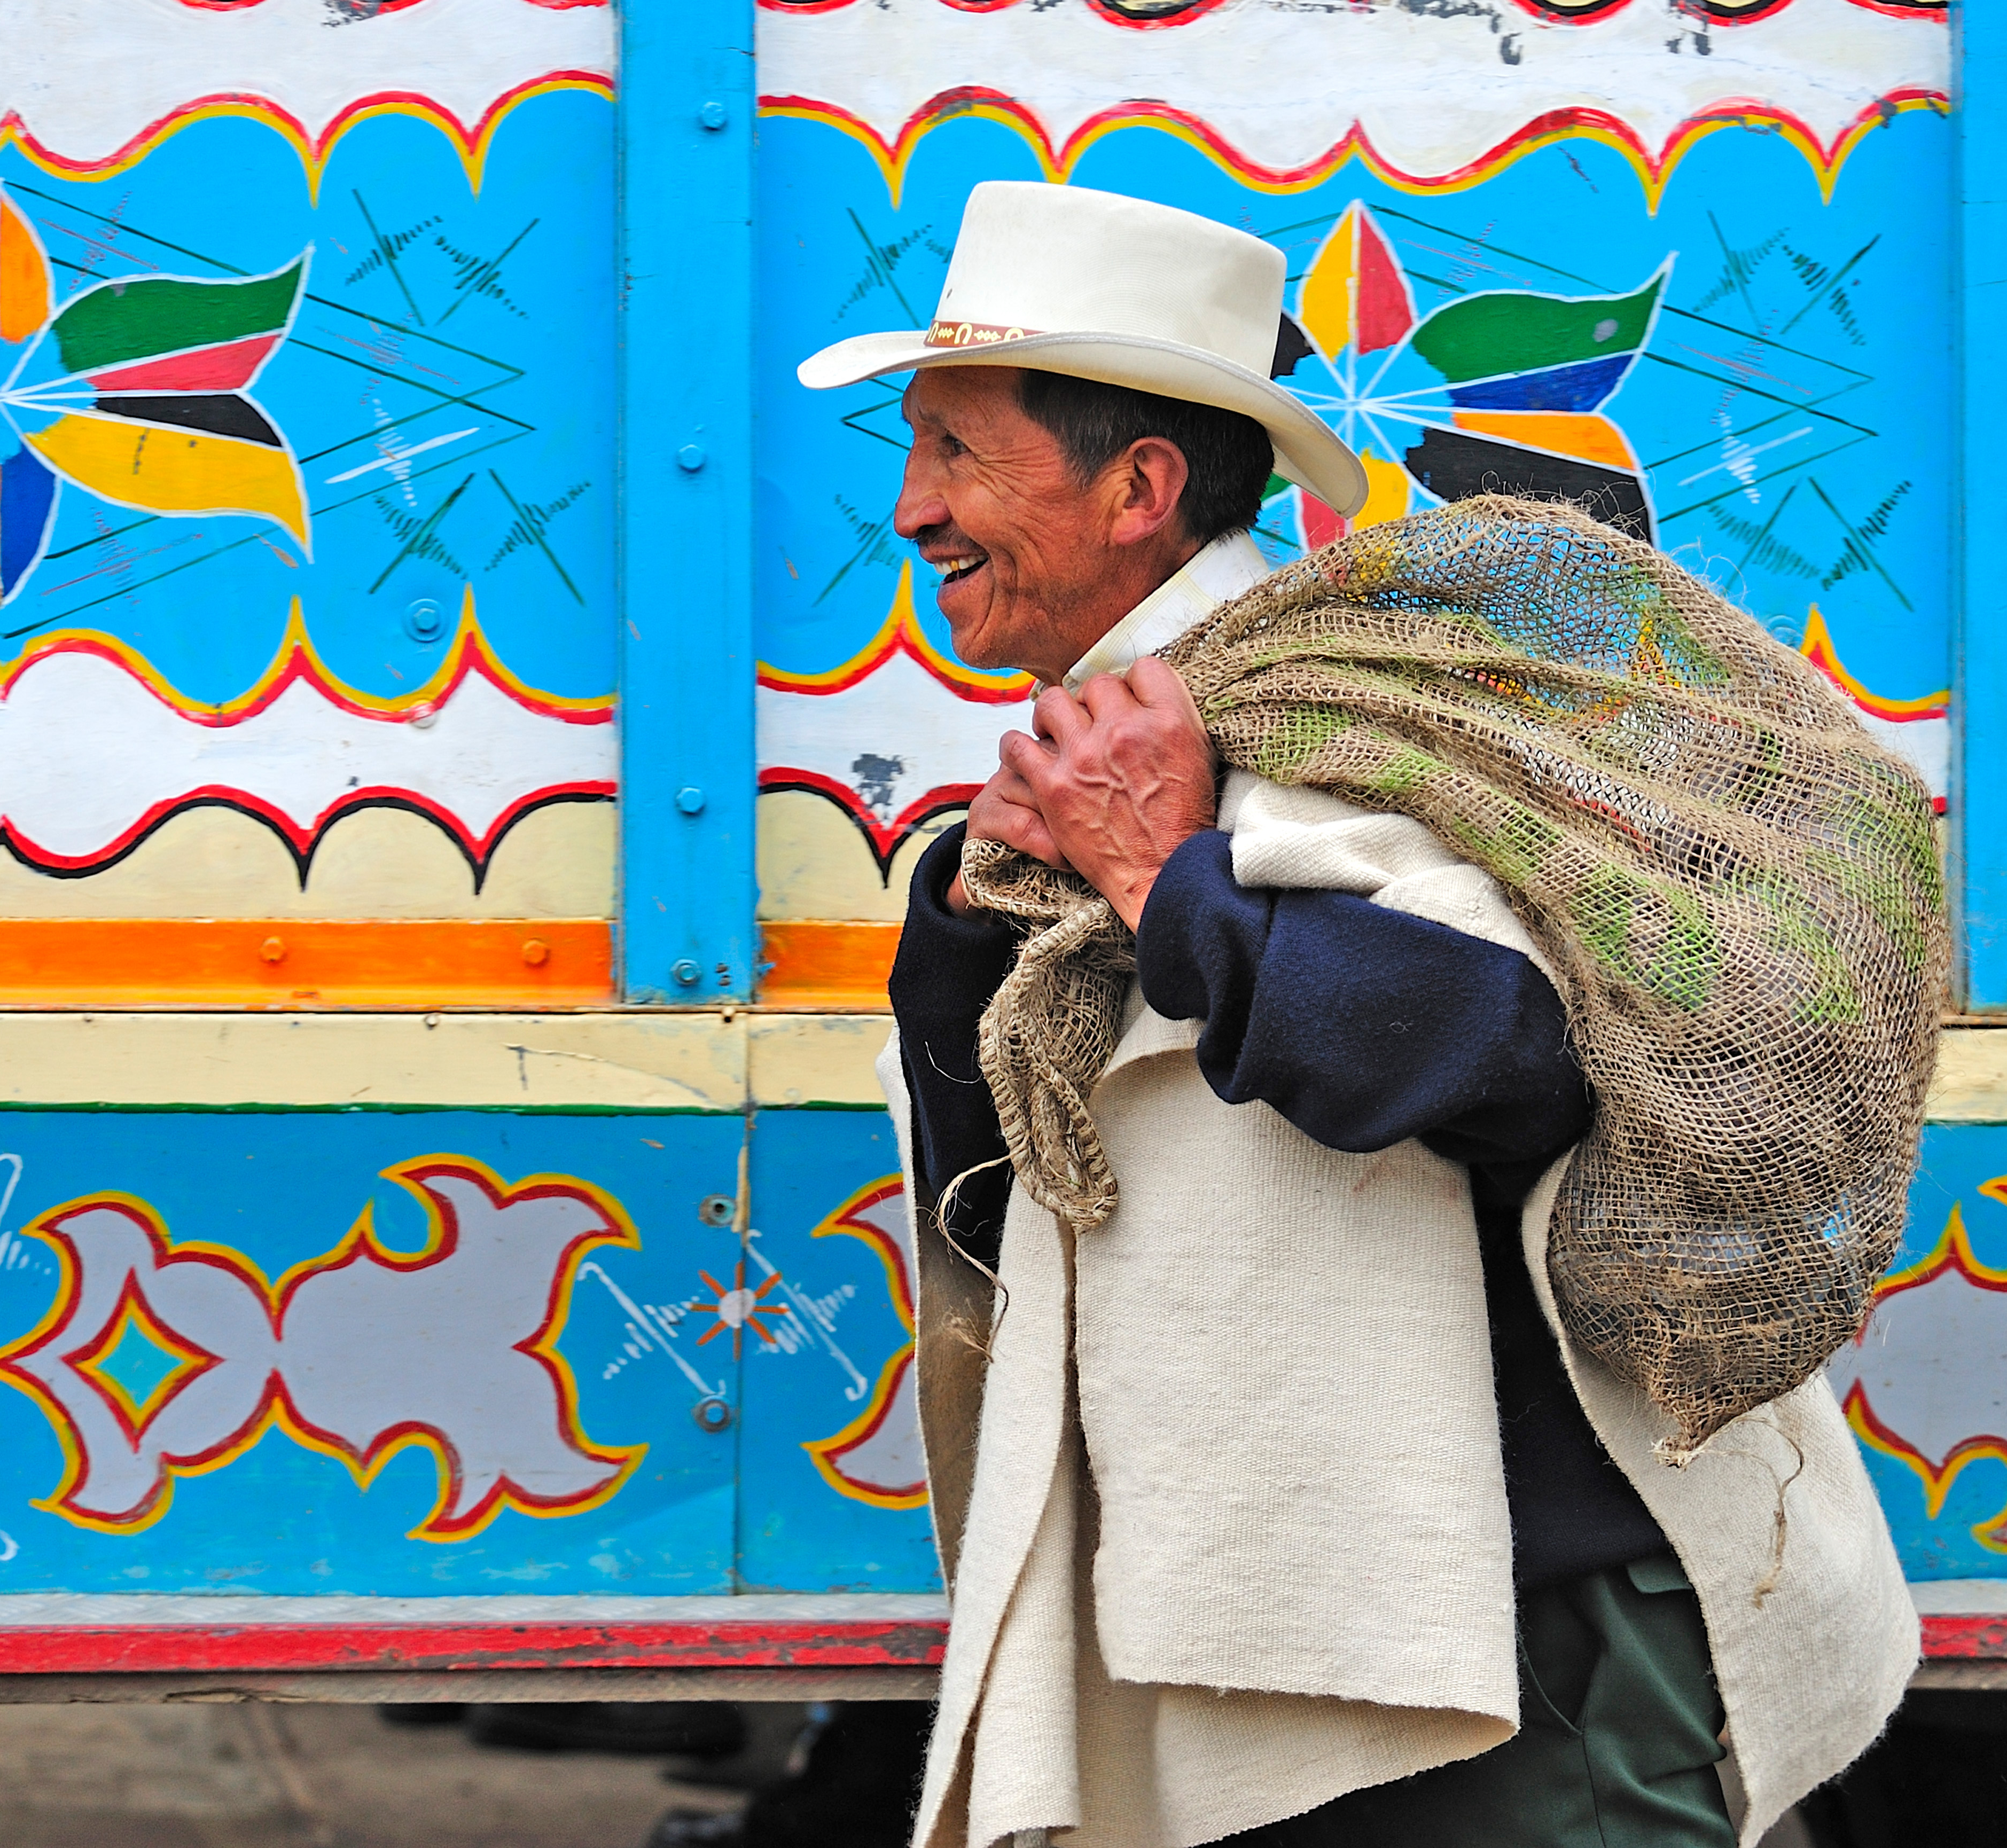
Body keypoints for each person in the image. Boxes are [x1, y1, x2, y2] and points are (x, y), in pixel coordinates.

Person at [781, 181, 1918, 1848]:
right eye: (916, 451)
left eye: (956, 452)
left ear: (1140, 489)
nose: (911, 510)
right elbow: (1014, 1197)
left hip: (1521, 1662)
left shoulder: (1361, 715)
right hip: (1266, 1649)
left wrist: (1177, 888)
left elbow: (1522, 1056)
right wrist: (968, 926)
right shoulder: (1088, 777)